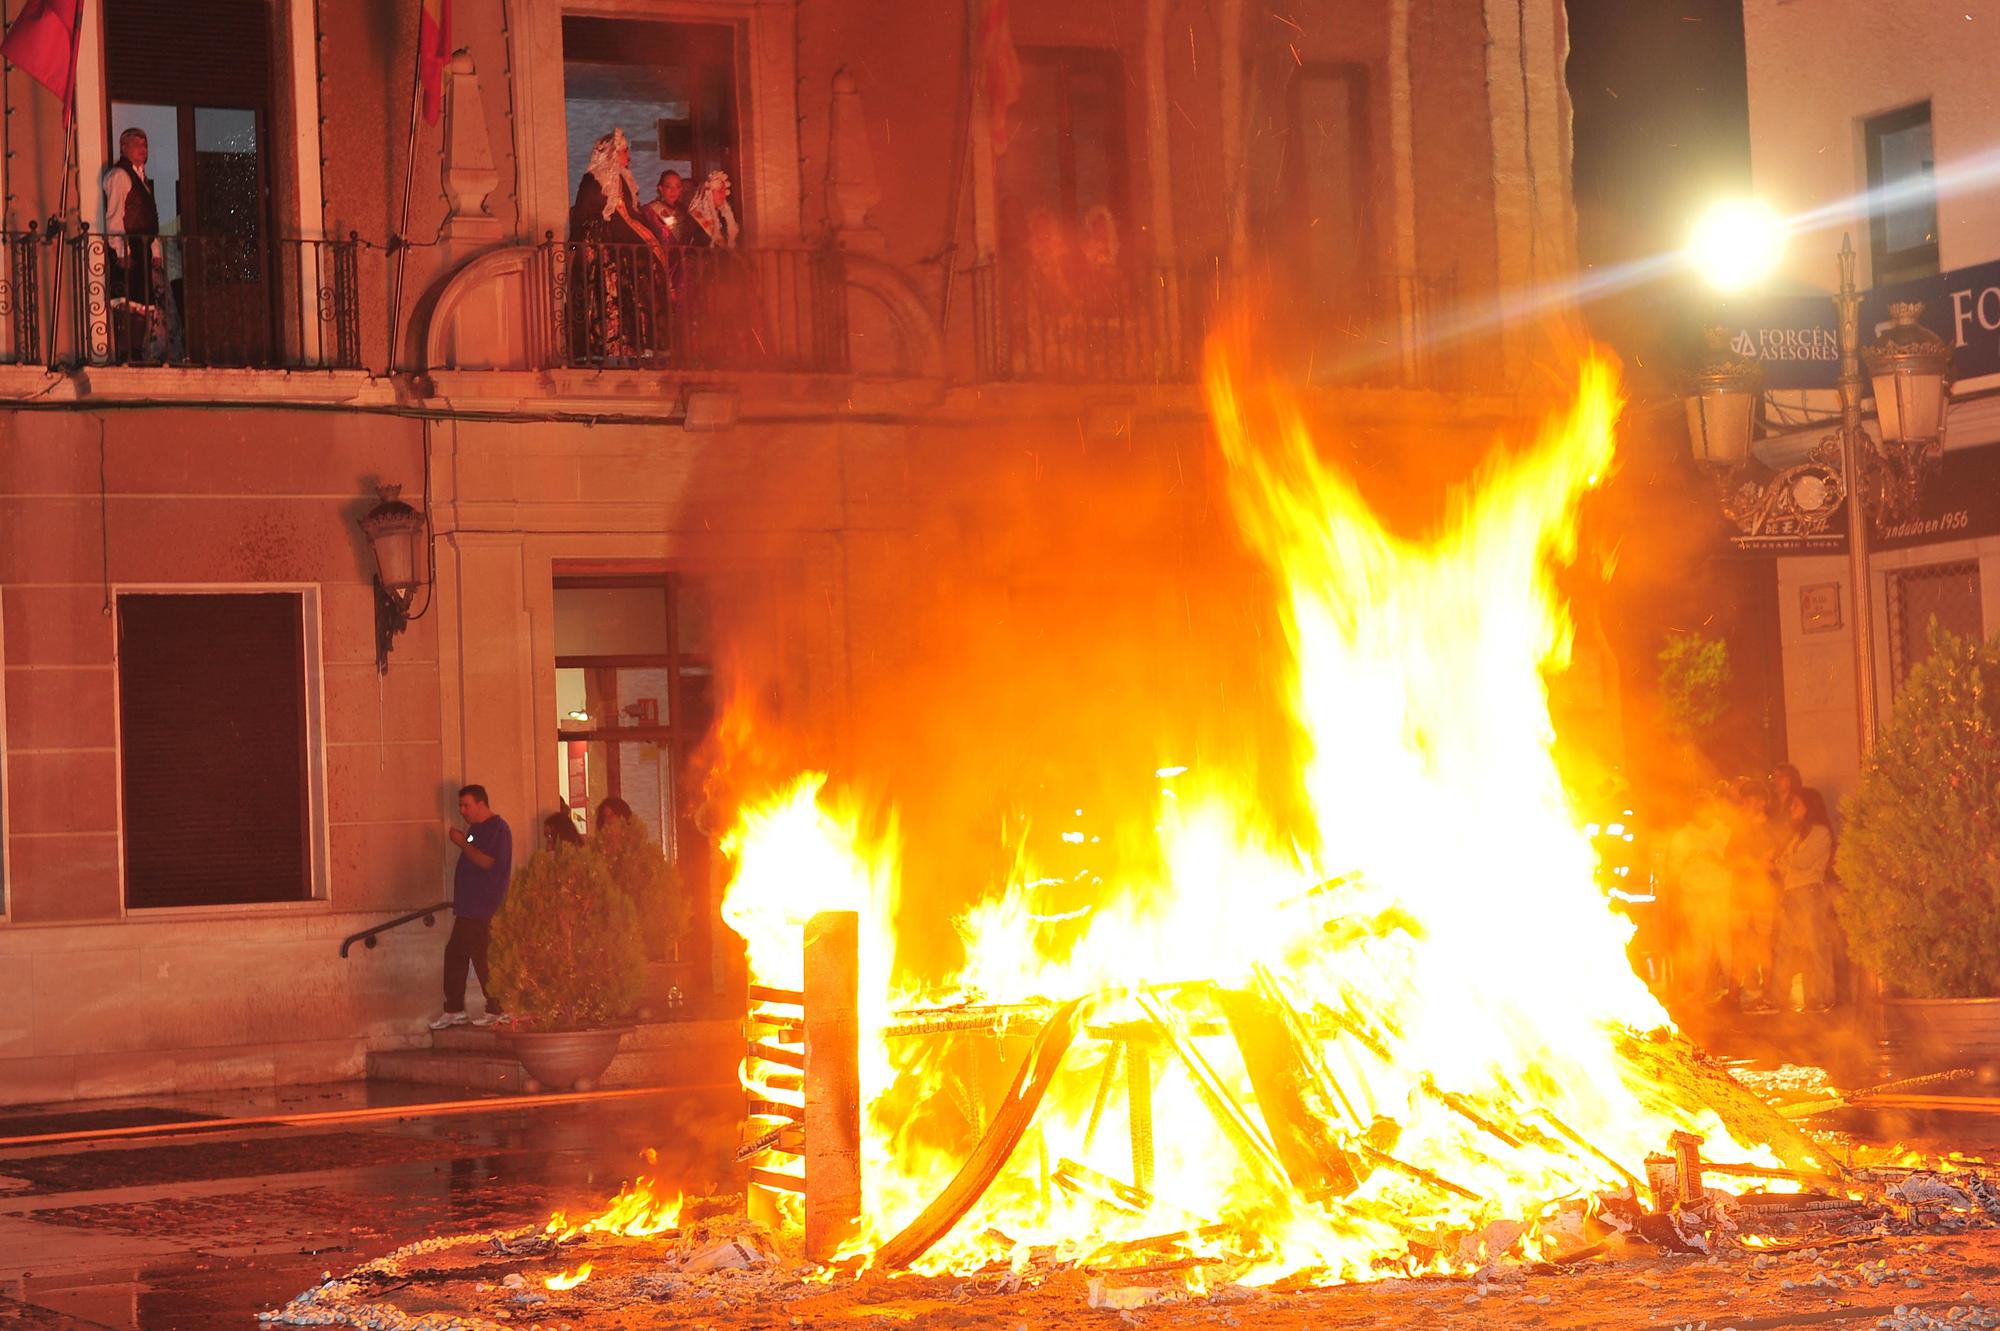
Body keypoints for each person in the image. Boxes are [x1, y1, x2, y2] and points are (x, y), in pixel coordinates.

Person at [568, 128, 669, 361]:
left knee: (630, 297)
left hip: (621, 253)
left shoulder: (624, 181)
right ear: (612, 153)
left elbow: (633, 216)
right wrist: (573, 249)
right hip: (600, 253)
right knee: (604, 299)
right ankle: (604, 347)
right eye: (624, 151)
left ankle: (637, 344)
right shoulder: (593, 181)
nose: (629, 157)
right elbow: (581, 216)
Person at [435, 784, 515, 1029]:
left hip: (484, 905)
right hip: (469, 906)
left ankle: (498, 1007)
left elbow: (488, 862)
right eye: (460, 806)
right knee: (458, 954)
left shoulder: (497, 829)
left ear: (481, 804)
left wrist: (462, 843)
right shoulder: (477, 829)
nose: (462, 810)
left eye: (466, 805)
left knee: (482, 956)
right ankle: (457, 1008)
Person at [101, 127, 164, 362]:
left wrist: (155, 249)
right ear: (124, 147)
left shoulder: (142, 180)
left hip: (143, 247)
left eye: (145, 144)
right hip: (130, 247)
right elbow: (114, 216)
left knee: (142, 302)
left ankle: (136, 351)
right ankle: (127, 352)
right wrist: (120, 249)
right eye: (137, 143)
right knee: (129, 301)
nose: (143, 148)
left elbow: (151, 218)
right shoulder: (119, 175)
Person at [1773, 786, 1836, 1013]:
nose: (1792, 808)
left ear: (1809, 808)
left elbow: (1801, 861)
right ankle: (1778, 996)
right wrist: (1788, 860)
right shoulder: (1797, 835)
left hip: (1809, 893)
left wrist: (1788, 860)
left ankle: (1821, 996)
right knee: (1784, 946)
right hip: (1791, 894)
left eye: (1796, 804)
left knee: (1816, 945)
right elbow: (1781, 864)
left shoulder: (1820, 832)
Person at [1725, 776, 1780, 1011]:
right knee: (1738, 944)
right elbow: (1729, 859)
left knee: (1764, 945)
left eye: (1751, 799)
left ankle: (1768, 993)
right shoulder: (1740, 828)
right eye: (1745, 799)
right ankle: (1734, 992)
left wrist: (1756, 864)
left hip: (1763, 896)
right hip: (1740, 894)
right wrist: (1753, 863)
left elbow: (1775, 861)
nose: (1746, 804)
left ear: (1762, 801)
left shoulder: (1772, 828)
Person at [685, 169, 740, 248]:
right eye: (719, 191)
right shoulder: (693, 218)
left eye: (724, 191)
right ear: (709, 193)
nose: (723, 195)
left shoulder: (724, 217)